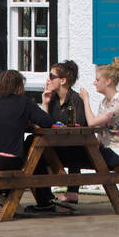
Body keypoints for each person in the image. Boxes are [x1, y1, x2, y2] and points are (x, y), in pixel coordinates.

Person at [0, 69, 59, 214]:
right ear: (19, 87)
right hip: (6, 159)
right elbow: (47, 122)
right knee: (34, 144)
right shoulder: (23, 102)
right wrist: (28, 119)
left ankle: (1, 194)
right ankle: (41, 200)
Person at [40, 60, 87, 211]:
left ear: (63, 80)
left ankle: (73, 192)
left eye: (51, 76)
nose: (48, 79)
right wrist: (45, 104)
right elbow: (44, 124)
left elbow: (78, 127)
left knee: (74, 146)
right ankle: (44, 196)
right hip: (56, 146)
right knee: (36, 148)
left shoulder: (76, 100)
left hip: (74, 148)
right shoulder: (51, 99)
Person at [76, 58, 119, 170]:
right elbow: (99, 131)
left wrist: (85, 99)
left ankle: (72, 187)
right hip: (109, 149)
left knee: (76, 158)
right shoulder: (104, 103)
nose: (94, 83)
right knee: (75, 155)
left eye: (97, 80)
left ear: (108, 81)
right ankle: (72, 187)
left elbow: (91, 123)